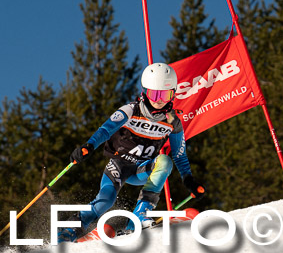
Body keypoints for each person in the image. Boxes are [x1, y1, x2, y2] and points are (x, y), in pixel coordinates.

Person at [58, 62, 205, 243]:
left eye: (165, 94)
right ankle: (69, 230)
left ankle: (140, 216)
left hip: (143, 169)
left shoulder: (173, 122)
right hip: (120, 165)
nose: (159, 100)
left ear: (173, 93)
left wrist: (188, 179)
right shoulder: (131, 110)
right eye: (154, 93)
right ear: (145, 91)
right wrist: (88, 146)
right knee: (105, 201)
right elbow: (105, 130)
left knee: (165, 161)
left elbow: (179, 155)